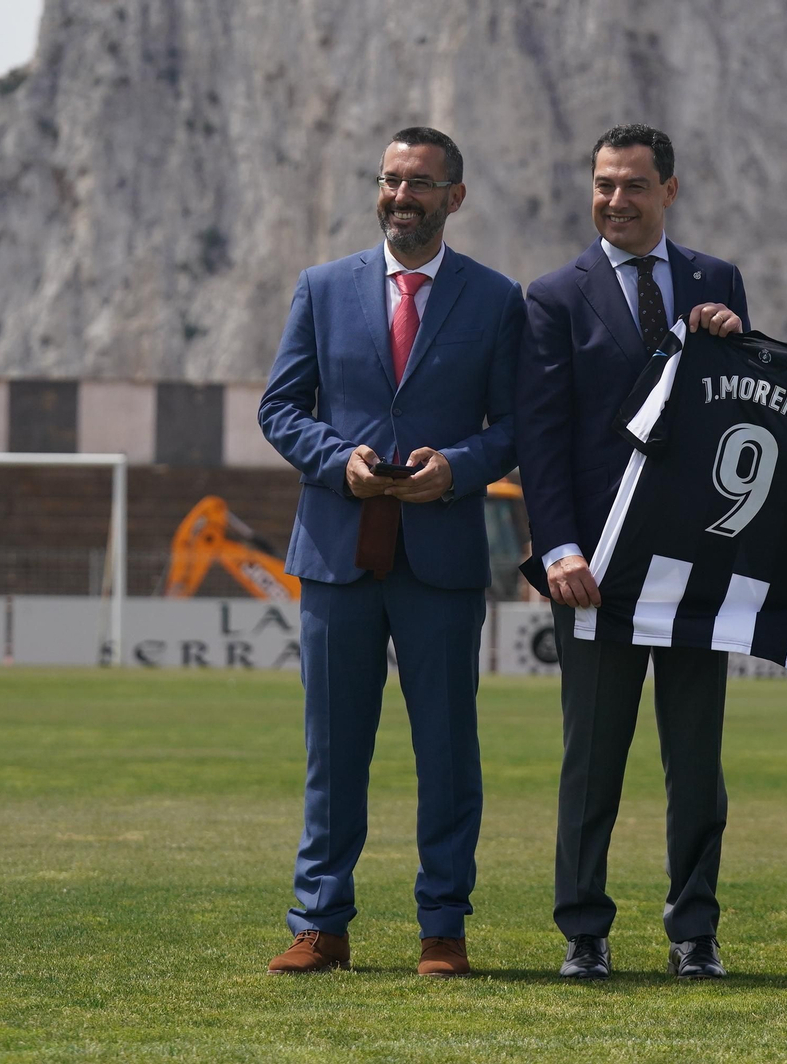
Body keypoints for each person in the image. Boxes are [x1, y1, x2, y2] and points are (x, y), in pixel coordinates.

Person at [258, 126, 523, 978]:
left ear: (455, 197)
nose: (401, 196)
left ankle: (442, 927)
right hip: (339, 551)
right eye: (390, 180)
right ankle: (319, 925)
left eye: (420, 184)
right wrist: (340, 460)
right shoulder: (320, 288)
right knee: (332, 750)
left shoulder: (495, 298)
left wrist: (458, 468)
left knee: (447, 750)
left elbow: (516, 427)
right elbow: (280, 407)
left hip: (441, 555)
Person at [515, 123, 748, 980]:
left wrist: (731, 335)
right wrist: (560, 548)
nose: (616, 200)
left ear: (669, 191)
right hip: (594, 574)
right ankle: (584, 932)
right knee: (592, 764)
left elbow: (738, 408)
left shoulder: (717, 280)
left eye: (634, 185)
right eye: (604, 184)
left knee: (696, 765)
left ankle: (695, 932)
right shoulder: (551, 297)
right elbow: (540, 441)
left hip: (695, 568)